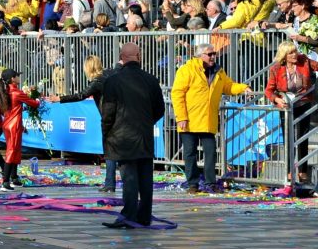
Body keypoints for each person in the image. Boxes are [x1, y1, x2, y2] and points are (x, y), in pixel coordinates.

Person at [171, 44, 253, 193]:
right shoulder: (186, 70)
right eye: (209, 54)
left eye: (214, 53)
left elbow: (228, 86)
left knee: (210, 152)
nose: (213, 56)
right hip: (188, 120)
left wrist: (243, 88)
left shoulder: (218, 71)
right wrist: (181, 117)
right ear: (200, 55)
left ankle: (210, 183)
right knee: (190, 154)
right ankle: (193, 185)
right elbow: (177, 94)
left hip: (208, 120)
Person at [100, 43, 165, 228]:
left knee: (129, 178)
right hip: (143, 135)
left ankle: (129, 215)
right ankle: (144, 215)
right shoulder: (151, 79)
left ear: (122, 57)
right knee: (145, 178)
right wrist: (146, 121)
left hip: (121, 136)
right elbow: (159, 108)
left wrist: (106, 133)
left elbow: (108, 112)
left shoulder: (113, 81)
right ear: (139, 56)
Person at [48, 55, 115, 192]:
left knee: (110, 153)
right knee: (117, 153)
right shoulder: (109, 77)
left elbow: (81, 95)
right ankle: (111, 182)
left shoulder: (97, 82)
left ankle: (110, 183)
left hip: (109, 120)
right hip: (117, 117)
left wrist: (59, 98)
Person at [265, 41, 314, 182]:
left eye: (295, 51)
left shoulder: (304, 61)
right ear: (284, 55)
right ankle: (289, 171)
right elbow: (269, 90)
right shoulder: (275, 68)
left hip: (303, 102)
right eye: (291, 52)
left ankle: (303, 171)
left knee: (303, 138)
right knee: (288, 139)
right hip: (286, 106)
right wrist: (277, 100)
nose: (295, 54)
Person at [0, 69, 41, 191]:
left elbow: (14, 108)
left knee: (14, 150)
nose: (19, 78)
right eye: (17, 76)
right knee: (12, 151)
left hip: (8, 124)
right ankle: (5, 182)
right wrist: (38, 100)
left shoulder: (6, 91)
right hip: (14, 125)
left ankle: (14, 178)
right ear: (12, 79)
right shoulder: (16, 92)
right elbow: (34, 104)